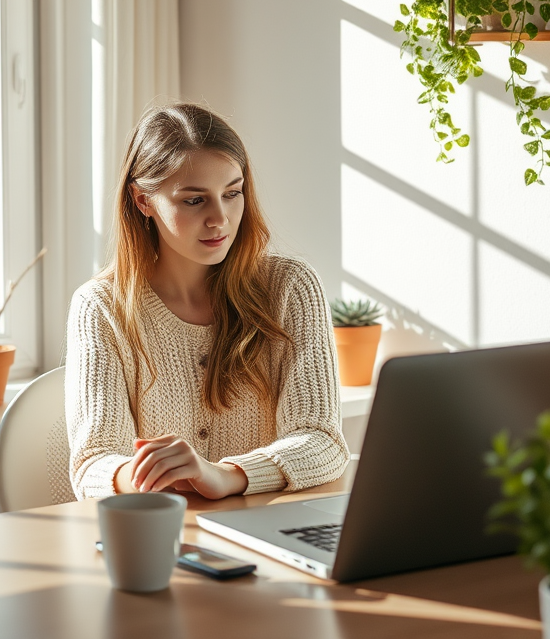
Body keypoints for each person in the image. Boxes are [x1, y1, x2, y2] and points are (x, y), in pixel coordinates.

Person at [65, 103, 349, 500]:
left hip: (266, 533)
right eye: (195, 200)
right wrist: (148, 473)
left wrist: (224, 475)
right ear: (142, 201)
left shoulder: (290, 287)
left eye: (232, 193)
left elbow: (323, 441)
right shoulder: (101, 308)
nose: (221, 218)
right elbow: (93, 463)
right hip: (167, 539)